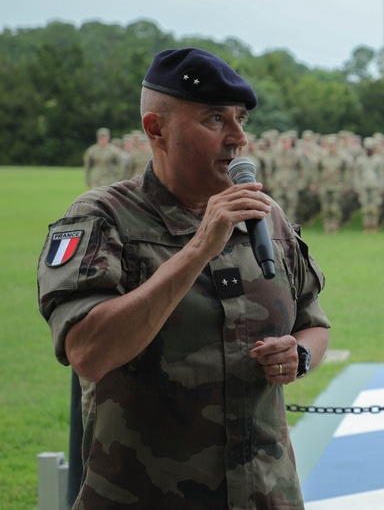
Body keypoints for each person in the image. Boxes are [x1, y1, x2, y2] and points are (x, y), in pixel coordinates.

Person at [37, 47, 330, 509]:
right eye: (216, 119)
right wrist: (198, 247)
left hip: (266, 493)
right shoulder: (102, 219)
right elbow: (88, 353)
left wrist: (300, 355)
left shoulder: (266, 216)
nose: (238, 139)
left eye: (241, 120)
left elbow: (313, 323)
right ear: (157, 129)